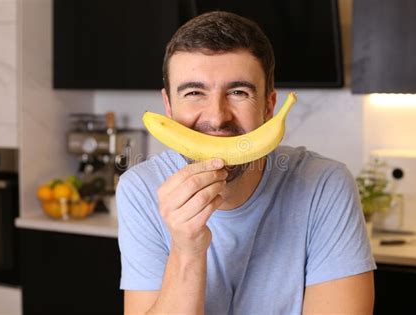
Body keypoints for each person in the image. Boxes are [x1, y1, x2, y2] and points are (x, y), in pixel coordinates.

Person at [117, 11, 376, 315]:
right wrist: (187, 249)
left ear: (269, 105)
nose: (217, 117)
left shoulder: (324, 185)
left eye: (239, 92)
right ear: (168, 107)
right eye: (193, 92)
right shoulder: (141, 189)